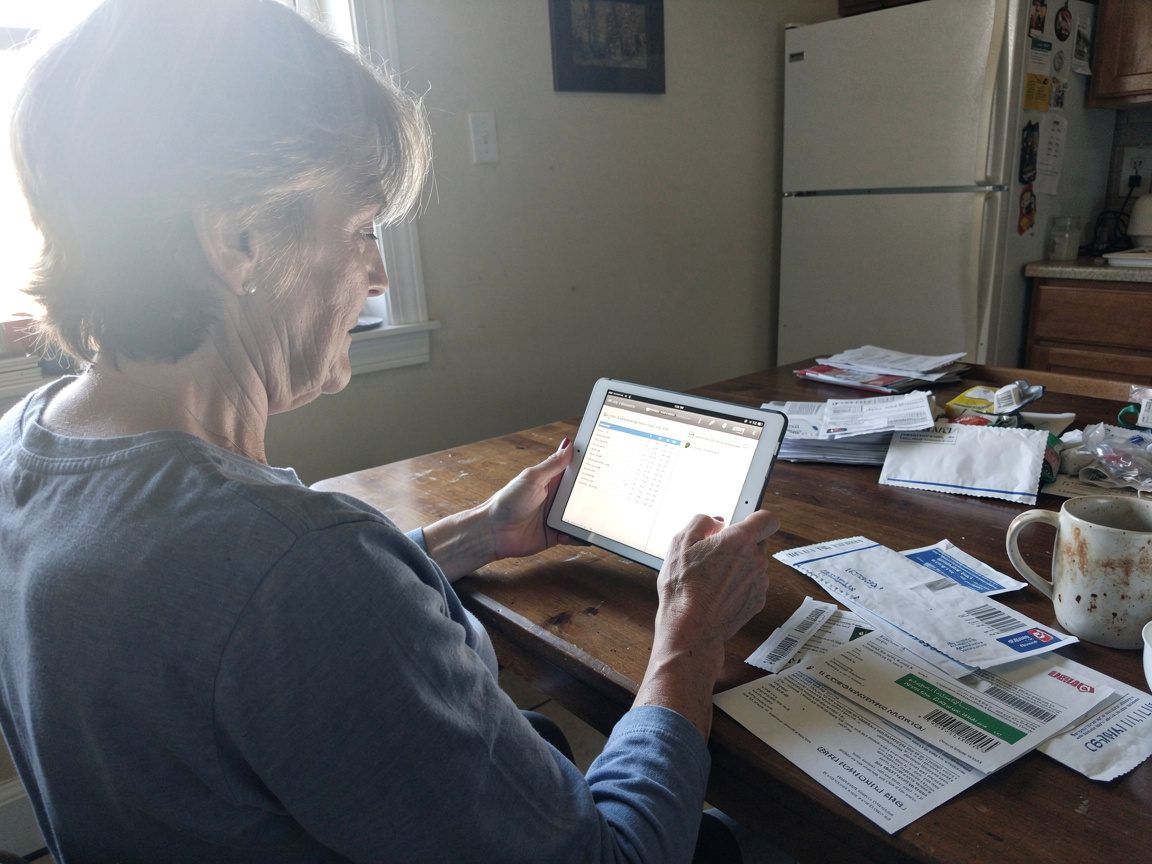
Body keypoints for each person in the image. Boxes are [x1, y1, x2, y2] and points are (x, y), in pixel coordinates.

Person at [0, 2, 782, 862]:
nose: (376, 276)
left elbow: (237, 620)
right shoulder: (297, 570)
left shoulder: (26, 448)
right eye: (361, 230)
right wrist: (688, 639)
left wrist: (474, 532)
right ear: (237, 237)